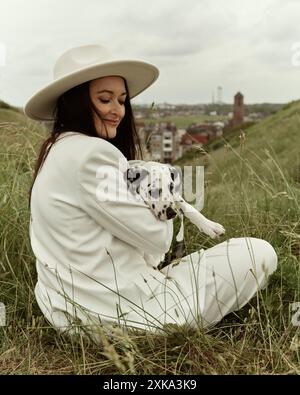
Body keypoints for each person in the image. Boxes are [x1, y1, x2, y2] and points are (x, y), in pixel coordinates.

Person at [24, 44, 278, 339]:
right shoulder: (92, 155)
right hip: (129, 315)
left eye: (121, 100)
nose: (117, 110)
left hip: (66, 313)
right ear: (75, 102)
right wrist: (159, 192)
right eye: (104, 99)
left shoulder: (55, 150)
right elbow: (158, 240)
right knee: (258, 252)